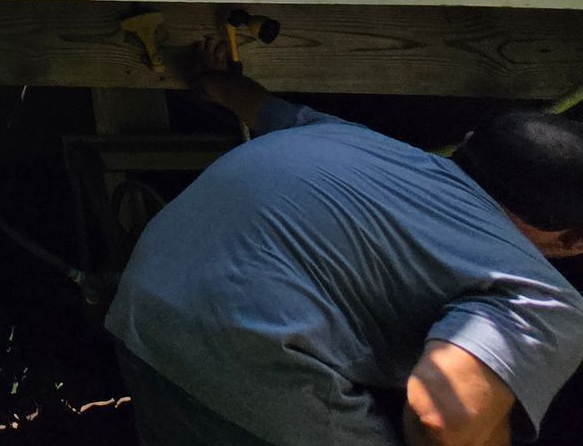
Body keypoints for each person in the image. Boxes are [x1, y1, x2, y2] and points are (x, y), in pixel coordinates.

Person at [106, 41, 583, 446]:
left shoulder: (349, 137)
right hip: (253, 360)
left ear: (467, 146)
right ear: (574, 241)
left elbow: (254, 103)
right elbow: (442, 414)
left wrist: (212, 79)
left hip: (147, 310)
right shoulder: (538, 292)